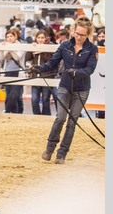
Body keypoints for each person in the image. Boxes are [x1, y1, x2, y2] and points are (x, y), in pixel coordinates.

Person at [29, 16, 98, 164]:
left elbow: (90, 69)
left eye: (82, 35)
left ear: (88, 35)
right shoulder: (65, 46)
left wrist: (77, 72)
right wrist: (39, 68)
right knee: (60, 118)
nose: (78, 37)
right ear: (73, 31)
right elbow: (53, 62)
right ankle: (49, 148)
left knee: (72, 122)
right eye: (77, 33)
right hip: (65, 86)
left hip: (82, 89)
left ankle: (62, 153)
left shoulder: (92, 49)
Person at [25, 30, 54, 115]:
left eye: (42, 37)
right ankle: (36, 115)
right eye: (38, 37)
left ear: (45, 38)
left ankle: (46, 116)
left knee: (45, 99)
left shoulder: (50, 47)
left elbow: (50, 61)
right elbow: (28, 57)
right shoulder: (35, 46)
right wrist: (31, 49)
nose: (40, 39)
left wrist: (42, 50)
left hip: (46, 76)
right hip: (35, 76)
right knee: (34, 99)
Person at [0, 28, 25, 114]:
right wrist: (2, 49)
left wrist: (10, 49)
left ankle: (7, 111)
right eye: (7, 36)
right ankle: (14, 114)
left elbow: (17, 57)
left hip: (18, 72)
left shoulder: (20, 46)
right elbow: (1, 58)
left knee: (14, 94)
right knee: (8, 94)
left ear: (15, 37)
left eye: (11, 36)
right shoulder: (6, 45)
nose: (9, 38)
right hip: (7, 71)